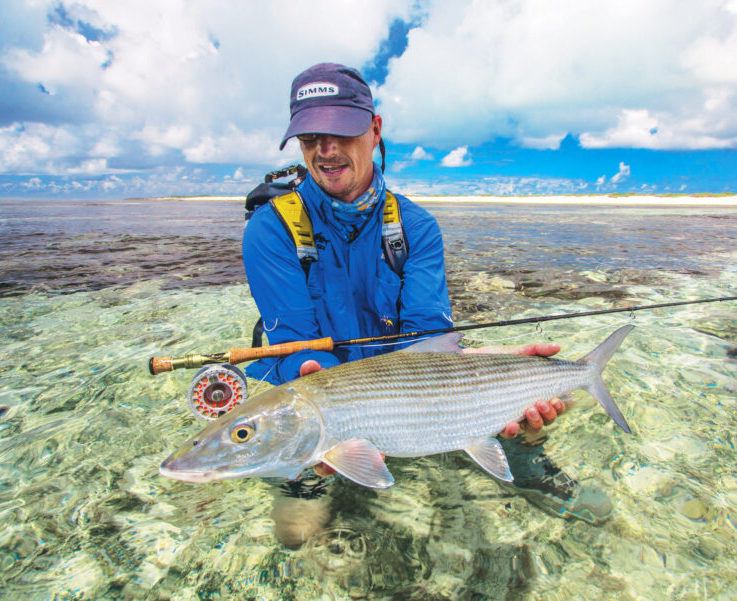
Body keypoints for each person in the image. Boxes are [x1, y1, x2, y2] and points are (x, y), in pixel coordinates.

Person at [242, 63, 607, 546]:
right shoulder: (270, 229)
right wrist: (336, 426)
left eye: (340, 131)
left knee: (527, 422)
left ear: (374, 129)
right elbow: (295, 345)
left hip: (409, 388)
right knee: (297, 538)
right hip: (320, 393)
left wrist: (473, 368)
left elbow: (427, 335)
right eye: (310, 136)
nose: (325, 149)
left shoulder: (416, 228)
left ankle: (527, 462)